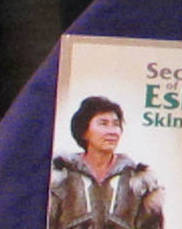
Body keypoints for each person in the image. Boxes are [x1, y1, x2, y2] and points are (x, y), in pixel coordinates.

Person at [47, 95, 162, 229]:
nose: (112, 131)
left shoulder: (139, 181)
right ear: (84, 131)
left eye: (116, 124)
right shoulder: (59, 177)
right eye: (103, 123)